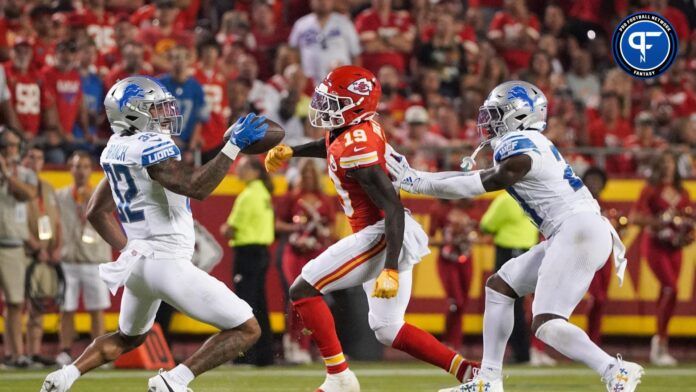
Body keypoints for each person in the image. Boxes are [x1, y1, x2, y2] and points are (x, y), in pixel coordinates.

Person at [387, 81, 644, 392]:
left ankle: (615, 369)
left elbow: (483, 182)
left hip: (577, 230)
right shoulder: (528, 141)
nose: (488, 122)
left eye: (496, 114)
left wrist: (418, 181)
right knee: (500, 286)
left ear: (520, 116)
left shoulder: (520, 143)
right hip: (573, 230)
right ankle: (489, 380)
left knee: (547, 323)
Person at [40, 76, 267, 392]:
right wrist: (233, 146)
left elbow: (95, 210)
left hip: (139, 264)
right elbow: (196, 188)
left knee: (127, 337)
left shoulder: (115, 148)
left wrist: (128, 249)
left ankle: (65, 376)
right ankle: (174, 380)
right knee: (247, 328)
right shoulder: (152, 146)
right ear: (133, 113)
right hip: (167, 261)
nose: (164, 114)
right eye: (156, 108)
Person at [265, 65, 478, 392]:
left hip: (382, 232)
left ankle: (339, 377)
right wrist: (294, 151)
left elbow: (392, 207)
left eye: (333, 103)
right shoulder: (351, 128)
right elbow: (331, 145)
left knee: (303, 288)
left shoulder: (358, 147)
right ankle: (471, 376)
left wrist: (390, 268)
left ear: (356, 107)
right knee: (388, 328)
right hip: (381, 230)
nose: (323, 108)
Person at [631, 152, 693, 366]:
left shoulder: (682, 192)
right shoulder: (650, 190)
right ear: (658, 166)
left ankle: (659, 344)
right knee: (671, 289)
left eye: (672, 163)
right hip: (655, 245)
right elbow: (635, 218)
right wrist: (659, 222)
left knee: (668, 293)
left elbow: (690, 218)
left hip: (675, 248)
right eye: (664, 163)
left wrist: (687, 234)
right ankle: (659, 343)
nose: (668, 167)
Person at [54, 151, 113, 366]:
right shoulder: (60, 195)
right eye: (77, 166)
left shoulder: (101, 193)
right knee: (66, 309)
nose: (80, 171)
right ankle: (65, 351)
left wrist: (90, 200)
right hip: (68, 260)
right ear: (71, 169)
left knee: (96, 309)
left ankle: (100, 352)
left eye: (85, 166)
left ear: (91, 170)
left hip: (94, 260)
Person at [480, 191, 550, 366]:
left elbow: (486, 225)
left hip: (508, 251)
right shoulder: (533, 197)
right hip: (532, 251)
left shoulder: (505, 200)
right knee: (534, 303)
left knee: (506, 302)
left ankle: (520, 352)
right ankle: (531, 349)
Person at [276, 159, 335, 364]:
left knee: (313, 299)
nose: (309, 178)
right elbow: (277, 223)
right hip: (294, 252)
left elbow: (332, 229)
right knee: (296, 298)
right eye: (305, 174)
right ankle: (291, 342)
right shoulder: (292, 198)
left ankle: (308, 345)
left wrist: (318, 233)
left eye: (312, 174)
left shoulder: (325, 200)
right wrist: (296, 232)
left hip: (315, 253)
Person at [220, 156, 275, 367]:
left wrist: (225, 229)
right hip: (261, 252)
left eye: (241, 168)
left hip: (247, 253)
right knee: (260, 304)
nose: (237, 171)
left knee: (245, 304)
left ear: (254, 171)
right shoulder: (263, 193)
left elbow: (231, 228)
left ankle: (246, 354)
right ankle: (265, 355)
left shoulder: (249, 195)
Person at [0, 127, 38, 368]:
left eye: (13, 146)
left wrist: (7, 174)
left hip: (13, 245)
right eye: (5, 146)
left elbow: (28, 195)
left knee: (15, 302)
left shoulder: (25, 174)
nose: (10, 150)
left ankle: (15, 355)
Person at [22, 146, 62, 367]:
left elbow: (56, 220)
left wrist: (57, 247)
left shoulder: (47, 187)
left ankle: (34, 352)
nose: (34, 161)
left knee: (38, 303)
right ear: (23, 160)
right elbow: (14, 221)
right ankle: (16, 353)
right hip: (26, 252)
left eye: (38, 157)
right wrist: (36, 246)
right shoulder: (16, 186)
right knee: (17, 304)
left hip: (46, 254)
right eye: (30, 156)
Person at [430, 200, 477, 352]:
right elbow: (430, 237)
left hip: (466, 259)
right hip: (448, 260)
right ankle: (450, 342)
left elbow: (483, 233)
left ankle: (455, 342)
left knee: (463, 303)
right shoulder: (439, 209)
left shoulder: (472, 208)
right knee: (455, 302)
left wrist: (469, 239)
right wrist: (448, 242)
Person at [289, 0, 361, 83]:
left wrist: (354, 79)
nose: (323, 2)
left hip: (341, 81)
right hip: (310, 83)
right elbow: (292, 52)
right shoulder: (301, 24)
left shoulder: (344, 23)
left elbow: (355, 54)